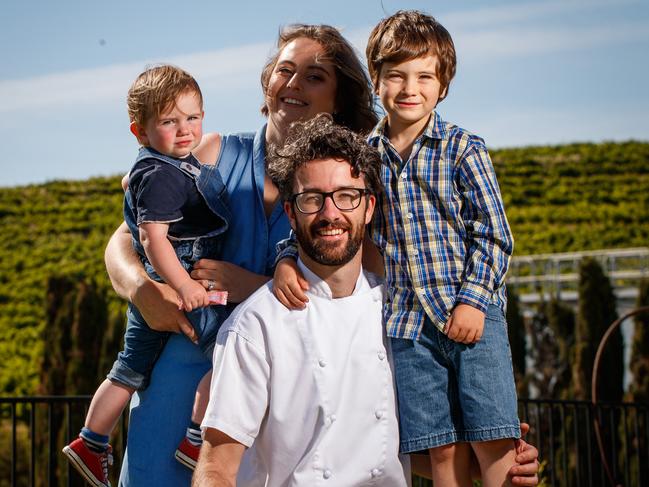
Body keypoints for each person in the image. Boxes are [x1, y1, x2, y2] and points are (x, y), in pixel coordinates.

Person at [103, 24, 378, 486]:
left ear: (339, 98)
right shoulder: (207, 153)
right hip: (177, 375)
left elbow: (355, 295)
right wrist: (142, 289)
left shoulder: (344, 182)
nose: (293, 85)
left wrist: (255, 288)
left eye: (314, 77)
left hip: (276, 394)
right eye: (285, 70)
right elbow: (125, 241)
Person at [274, 11, 522, 486]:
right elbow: (331, 211)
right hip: (407, 325)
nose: (411, 88)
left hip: (471, 316)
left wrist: (473, 301)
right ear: (376, 81)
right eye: (396, 76)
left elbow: (492, 235)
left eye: (425, 76)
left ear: (443, 85)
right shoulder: (364, 154)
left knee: (492, 437)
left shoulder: (463, 149)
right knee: (440, 447)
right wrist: (287, 257)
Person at [193, 114, 413, 486]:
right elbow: (216, 464)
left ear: (369, 207)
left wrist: (492, 459)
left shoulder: (398, 310)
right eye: (313, 199)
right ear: (292, 215)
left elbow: (394, 448)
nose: (331, 214)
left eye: (346, 196)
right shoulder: (256, 325)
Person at [63, 65, 230, 486]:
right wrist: (185, 286)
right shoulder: (161, 174)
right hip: (177, 283)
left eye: (193, 117)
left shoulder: (156, 165)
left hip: (161, 287)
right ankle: (195, 438)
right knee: (231, 354)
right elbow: (154, 239)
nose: (185, 130)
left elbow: (134, 184)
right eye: (169, 122)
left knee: (129, 368)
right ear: (140, 131)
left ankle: (91, 439)